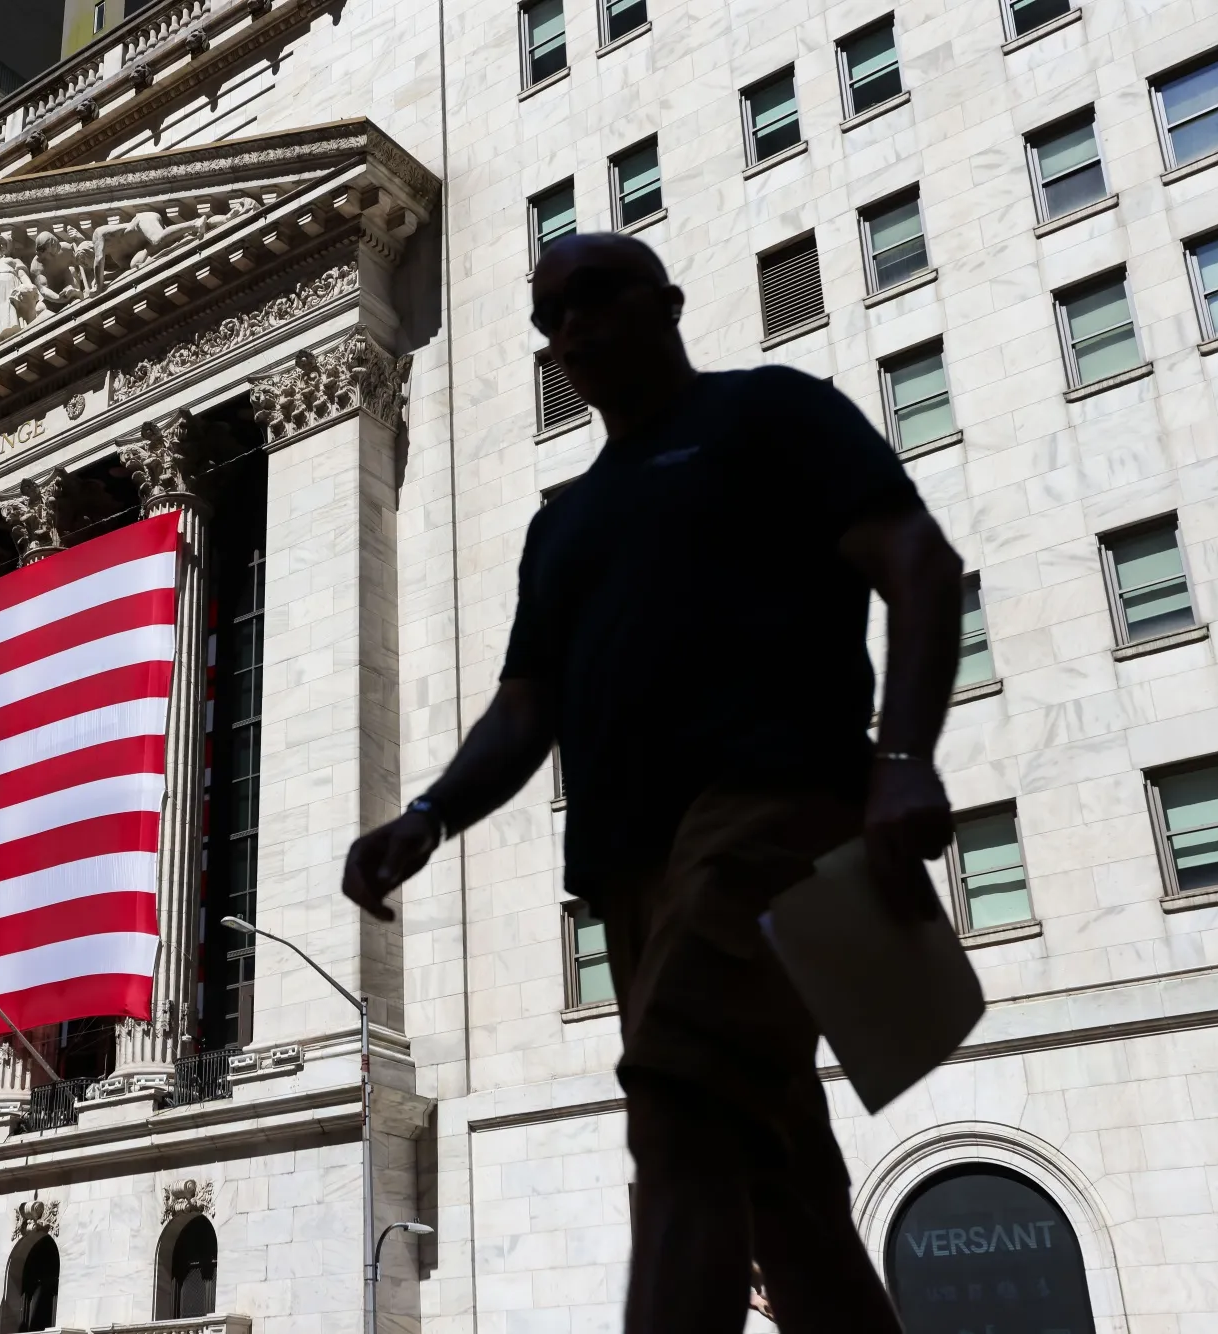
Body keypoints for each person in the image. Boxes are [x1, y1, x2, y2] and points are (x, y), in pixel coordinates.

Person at [340, 232, 965, 1333]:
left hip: (775, 815)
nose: (569, 327)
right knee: (783, 1191)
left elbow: (915, 562)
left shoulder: (769, 413)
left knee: (676, 1114)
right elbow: (525, 707)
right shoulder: (560, 522)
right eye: (548, 316)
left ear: (667, 301)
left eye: (592, 295)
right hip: (629, 874)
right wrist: (427, 816)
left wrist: (904, 758)